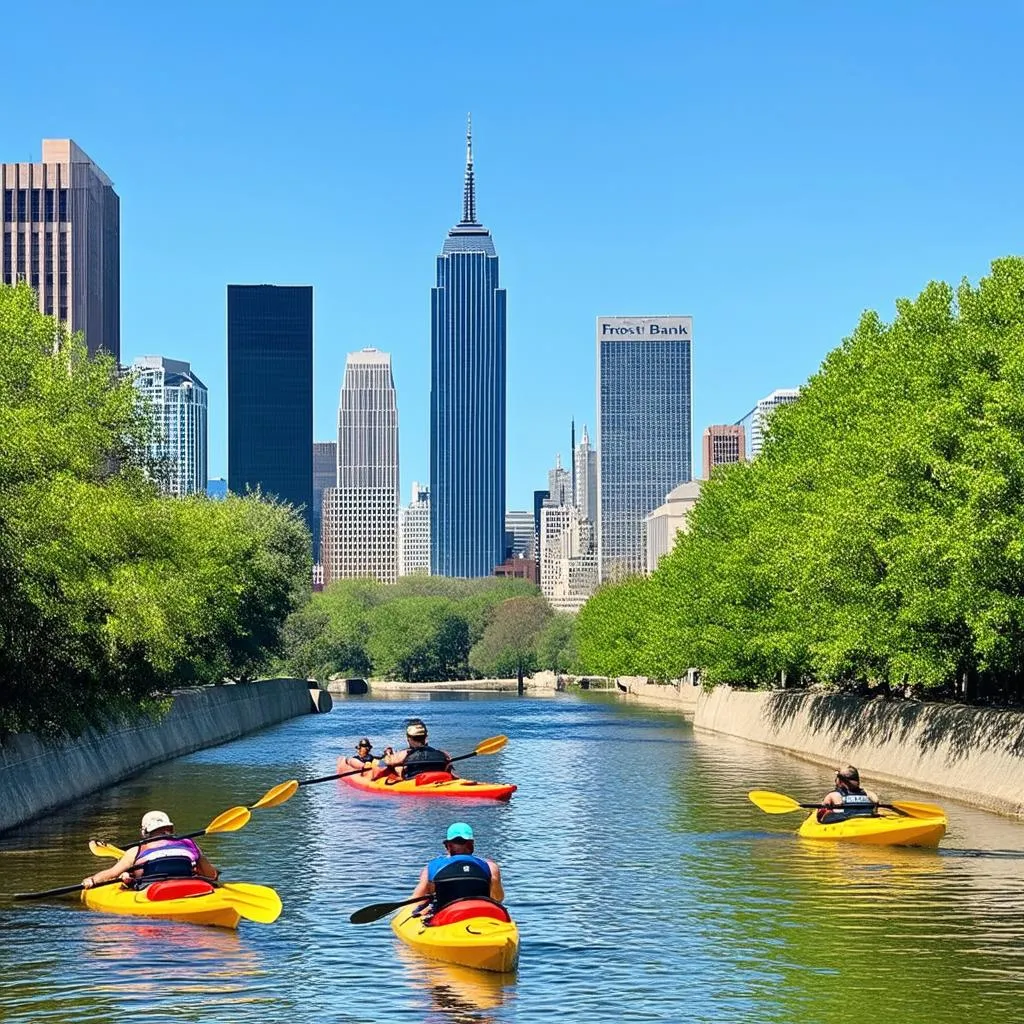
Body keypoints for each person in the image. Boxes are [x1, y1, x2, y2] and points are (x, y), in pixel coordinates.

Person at [81, 811, 218, 890]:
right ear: (171, 829)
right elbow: (211, 875)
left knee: (126, 876)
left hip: (152, 891)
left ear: (145, 832)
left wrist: (92, 880)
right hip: (191, 887)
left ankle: (129, 876)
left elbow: (111, 874)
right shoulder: (189, 844)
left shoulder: (137, 851)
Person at [409, 822, 504, 916]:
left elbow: (416, 900)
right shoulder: (491, 866)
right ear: (471, 844)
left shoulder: (431, 867)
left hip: (446, 917)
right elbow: (497, 899)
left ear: (447, 845)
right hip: (481, 915)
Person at [374, 719, 452, 780]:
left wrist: (388, 754)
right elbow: (449, 768)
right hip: (440, 779)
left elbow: (386, 762)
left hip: (414, 782)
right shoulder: (442, 754)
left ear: (409, 738)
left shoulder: (405, 754)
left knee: (396, 767)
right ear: (425, 737)